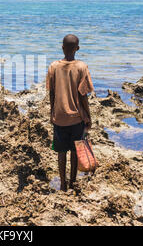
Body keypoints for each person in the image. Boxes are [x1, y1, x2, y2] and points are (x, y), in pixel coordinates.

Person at [46, 34, 94, 191]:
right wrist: (88, 116)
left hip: (59, 117)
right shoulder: (81, 67)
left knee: (61, 152)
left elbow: (51, 93)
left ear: (62, 47)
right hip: (76, 118)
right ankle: (73, 181)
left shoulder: (53, 66)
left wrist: (52, 111)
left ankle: (62, 183)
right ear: (78, 49)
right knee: (75, 151)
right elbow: (83, 95)